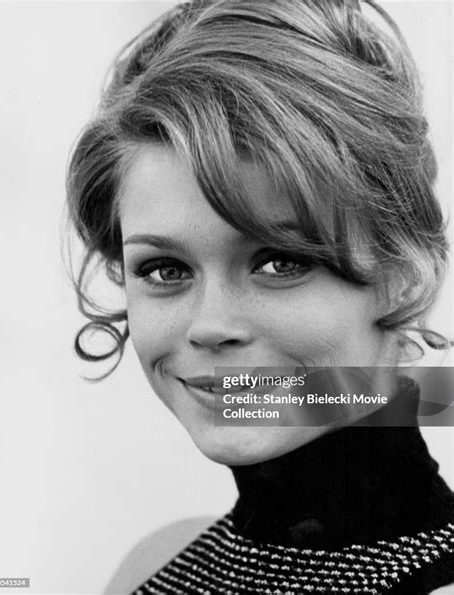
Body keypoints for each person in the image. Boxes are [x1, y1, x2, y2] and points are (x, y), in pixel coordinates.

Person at [65, 0, 454, 592]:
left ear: (405, 272)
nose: (210, 325)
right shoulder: (150, 567)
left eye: (280, 261)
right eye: (166, 269)